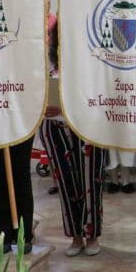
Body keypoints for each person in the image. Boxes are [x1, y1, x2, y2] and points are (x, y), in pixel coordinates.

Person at [43, 20, 107, 257]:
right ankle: (75, 236)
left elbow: (99, 94)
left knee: (91, 181)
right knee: (65, 182)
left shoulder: (93, 59)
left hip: (88, 126)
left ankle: (92, 236)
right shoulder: (49, 60)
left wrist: (67, 106)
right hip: (55, 127)